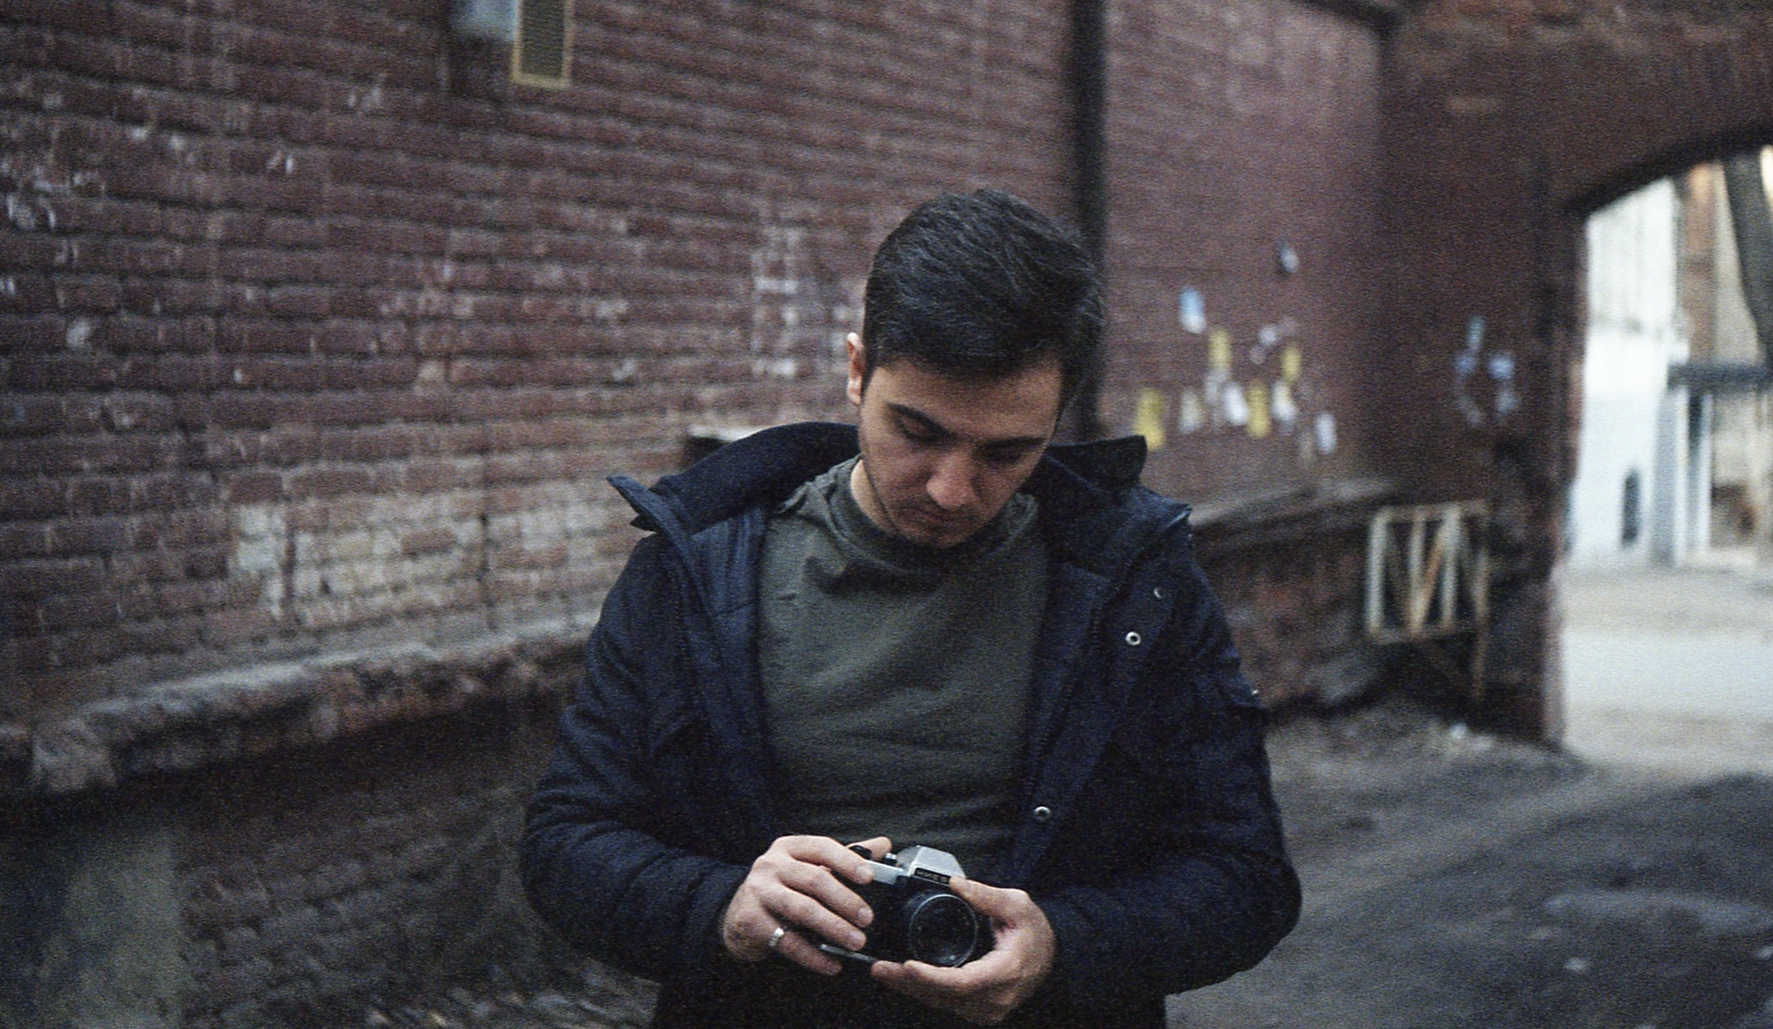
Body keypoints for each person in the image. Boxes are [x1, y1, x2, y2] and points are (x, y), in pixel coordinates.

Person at [521, 190, 1299, 1028]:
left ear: (1058, 417)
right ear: (858, 371)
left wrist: (1064, 947)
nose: (953, 490)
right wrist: (724, 906)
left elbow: (1246, 876)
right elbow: (566, 843)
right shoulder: (698, 568)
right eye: (918, 432)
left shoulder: (1137, 584)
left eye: (1008, 453)